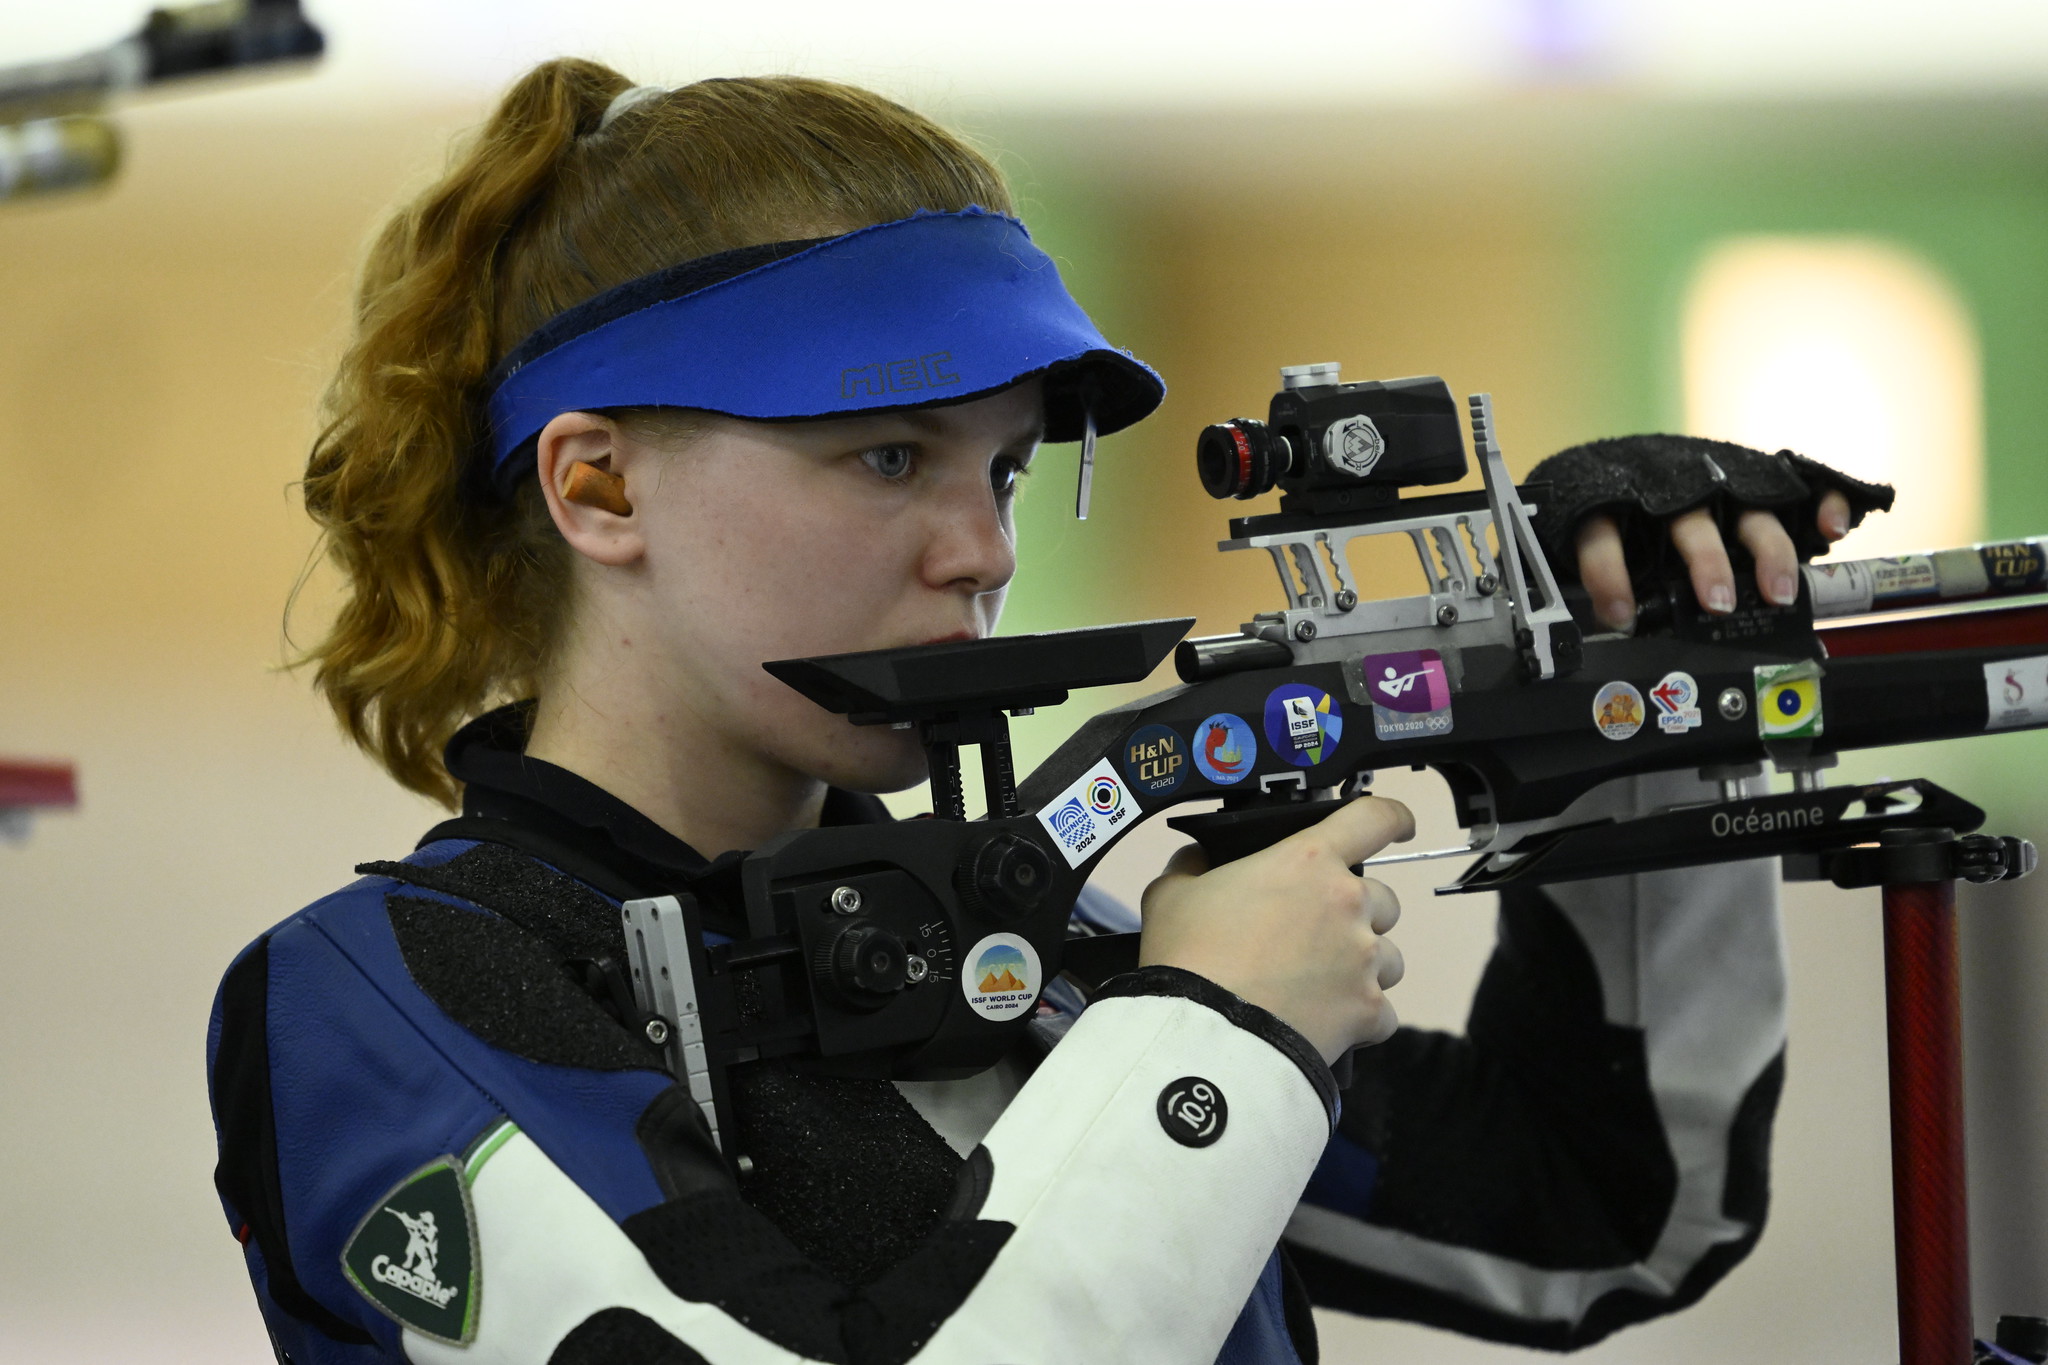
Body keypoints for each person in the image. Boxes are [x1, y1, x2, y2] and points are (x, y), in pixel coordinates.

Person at [207, 59, 1872, 1365]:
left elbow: (1598, 1214)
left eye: (1005, 466)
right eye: (887, 456)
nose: (985, 548)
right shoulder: (380, 999)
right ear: (596, 483)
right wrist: (1213, 1041)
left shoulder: (1014, 940)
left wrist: (1644, 708)